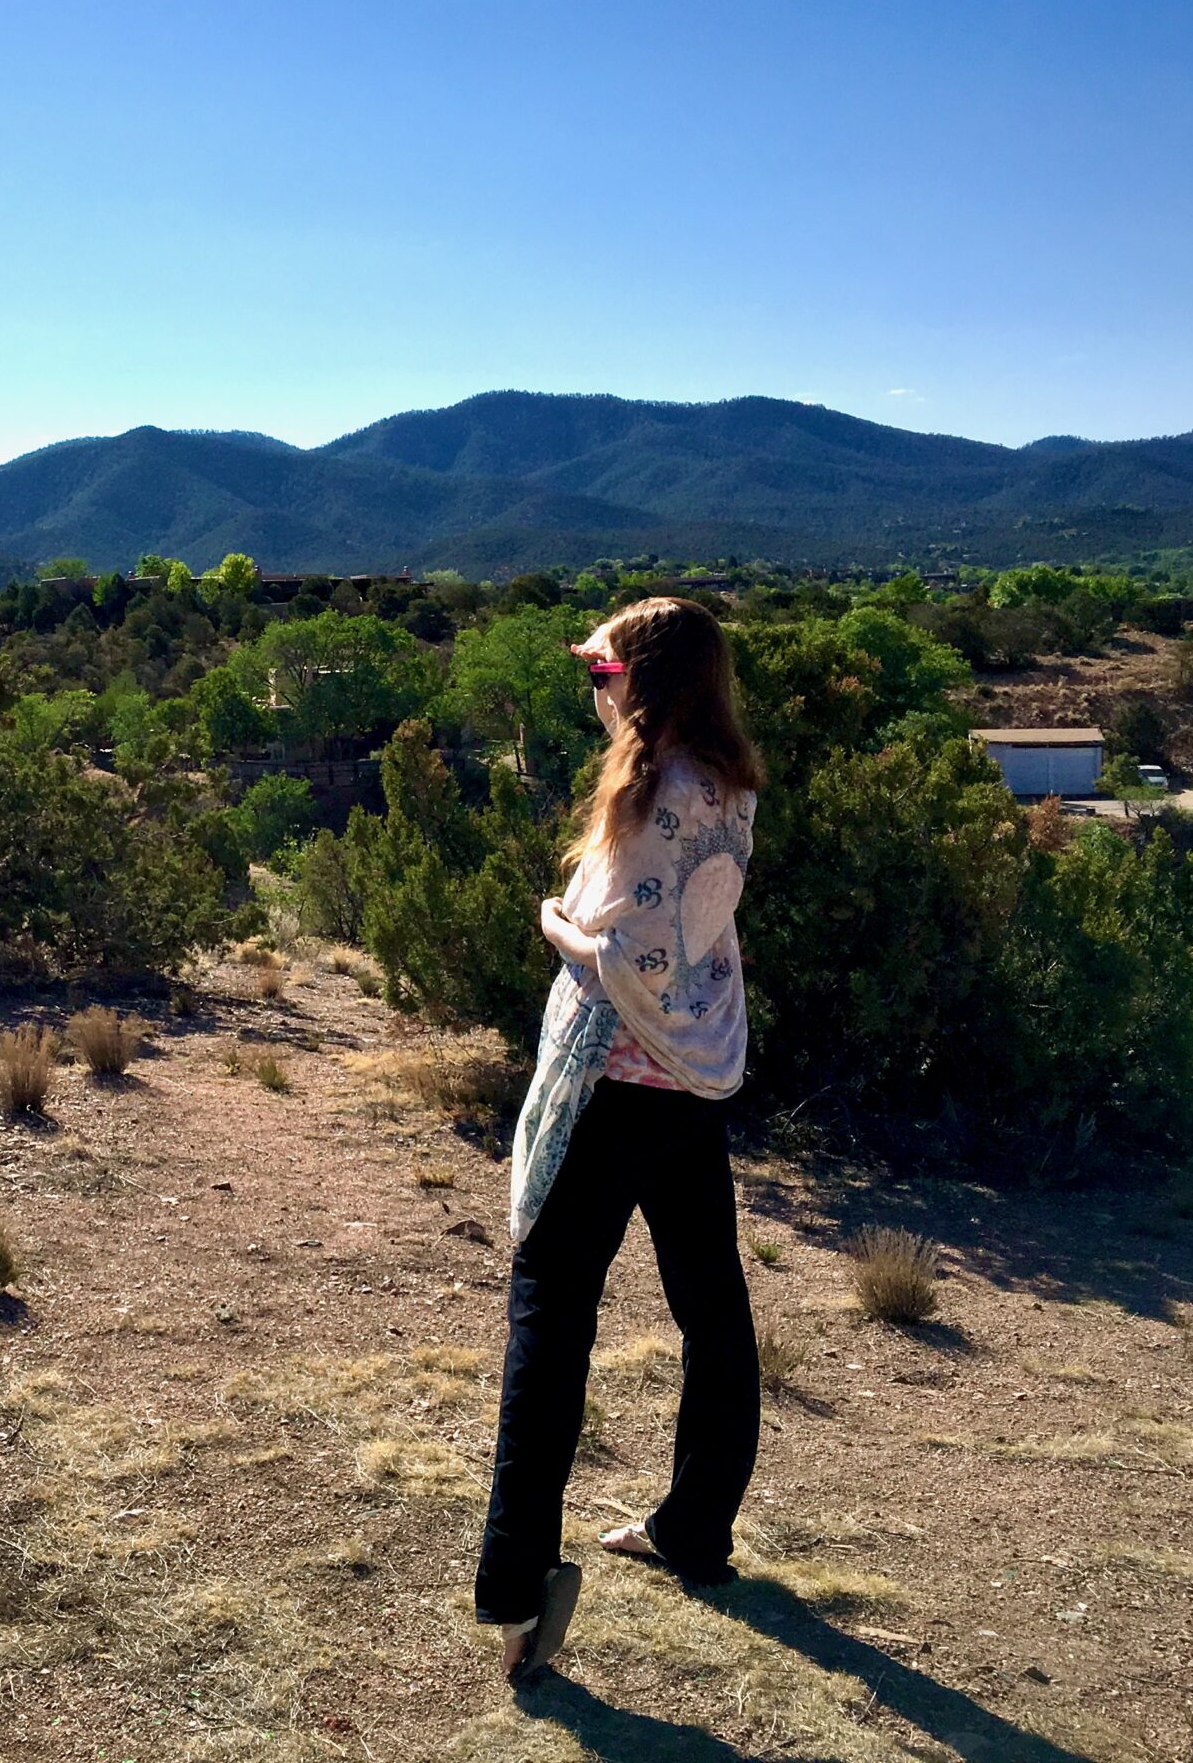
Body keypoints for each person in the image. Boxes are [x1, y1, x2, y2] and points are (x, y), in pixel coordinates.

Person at [476, 595, 766, 1684]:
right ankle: (695, 1529)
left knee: (549, 1319)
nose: (594, 695)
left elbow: (618, 959)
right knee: (711, 1306)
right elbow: (690, 941)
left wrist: (556, 922)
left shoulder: (649, 796)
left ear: (634, 684)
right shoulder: (730, 786)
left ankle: (515, 1594)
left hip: (609, 1086)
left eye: (602, 678)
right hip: (696, 1080)